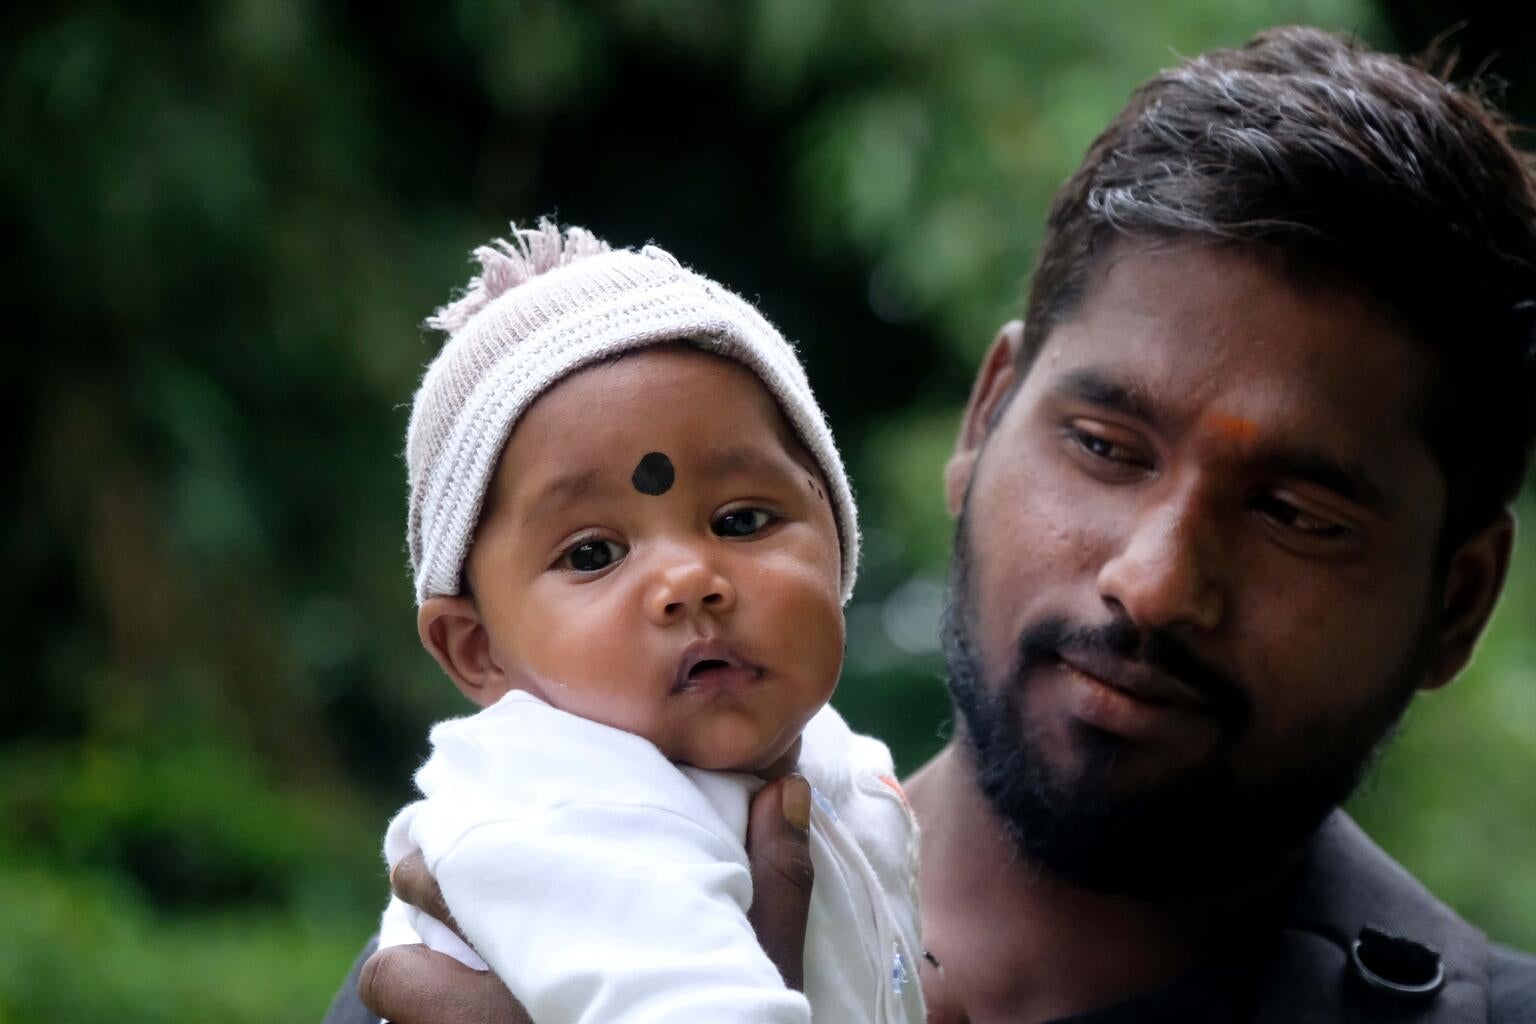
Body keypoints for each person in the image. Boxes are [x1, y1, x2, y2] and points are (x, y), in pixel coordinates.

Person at [327, 26, 1536, 1023]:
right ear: (987, 416)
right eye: (1106, 448)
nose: (1156, 582)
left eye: (1295, 513)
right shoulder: (482, 959)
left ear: (1458, 600)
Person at [366, 221, 925, 1023]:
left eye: (740, 521)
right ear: (477, 647)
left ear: (839, 542)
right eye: (593, 553)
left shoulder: (840, 763)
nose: (689, 580)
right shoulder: (563, 808)